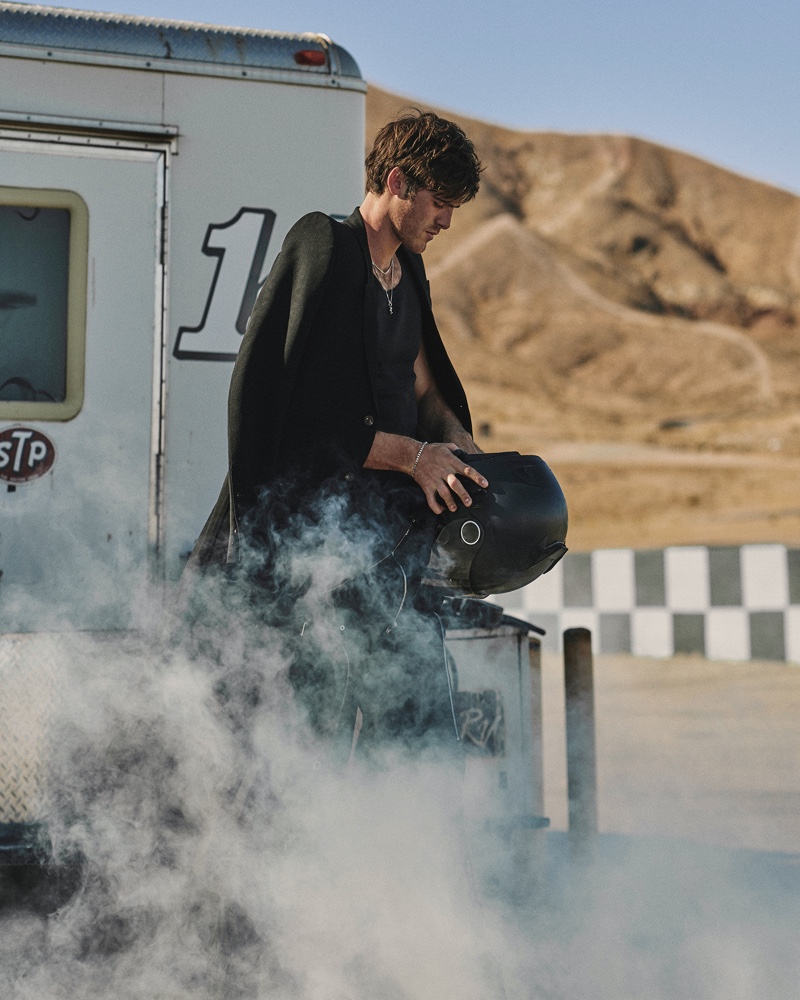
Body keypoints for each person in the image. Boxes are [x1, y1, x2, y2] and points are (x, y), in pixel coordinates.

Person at [188, 111, 487, 759]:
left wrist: (462, 451)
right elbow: (284, 411)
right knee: (299, 743)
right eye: (440, 201)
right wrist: (413, 457)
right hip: (306, 552)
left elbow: (425, 391)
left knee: (414, 734)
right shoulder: (323, 245)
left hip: (385, 551)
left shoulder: (408, 275)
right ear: (398, 181)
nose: (446, 221)